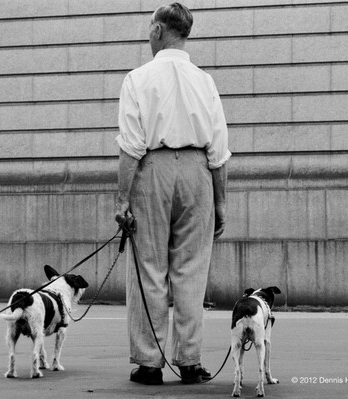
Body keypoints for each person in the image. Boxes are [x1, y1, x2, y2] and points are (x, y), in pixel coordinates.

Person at [114, 2, 231, 386]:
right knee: (191, 271)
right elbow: (219, 149)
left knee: (148, 267)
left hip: (153, 170)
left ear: (160, 30)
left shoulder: (137, 78)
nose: (148, 34)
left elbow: (131, 146)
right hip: (198, 171)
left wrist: (122, 200)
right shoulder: (206, 81)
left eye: (150, 28)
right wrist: (220, 201)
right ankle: (190, 361)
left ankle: (149, 363)